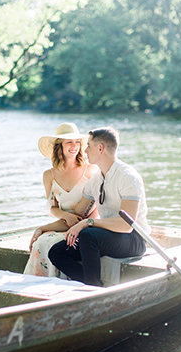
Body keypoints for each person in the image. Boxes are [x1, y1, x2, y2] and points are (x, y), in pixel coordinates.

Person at [48, 126, 151, 287]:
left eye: (88, 145)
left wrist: (88, 223)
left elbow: (126, 225)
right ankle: (91, 283)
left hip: (134, 240)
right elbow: (78, 214)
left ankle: (92, 287)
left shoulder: (128, 177)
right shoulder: (96, 179)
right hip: (108, 236)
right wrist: (47, 226)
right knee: (57, 251)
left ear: (100, 148)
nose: (85, 150)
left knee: (89, 235)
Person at [23, 122, 98, 277]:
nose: (74, 146)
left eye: (77, 142)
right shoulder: (49, 175)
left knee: (55, 244)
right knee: (41, 243)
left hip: (87, 224)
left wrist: (79, 224)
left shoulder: (90, 170)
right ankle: (42, 285)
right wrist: (66, 216)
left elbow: (96, 208)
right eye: (69, 142)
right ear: (60, 146)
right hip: (63, 222)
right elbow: (52, 207)